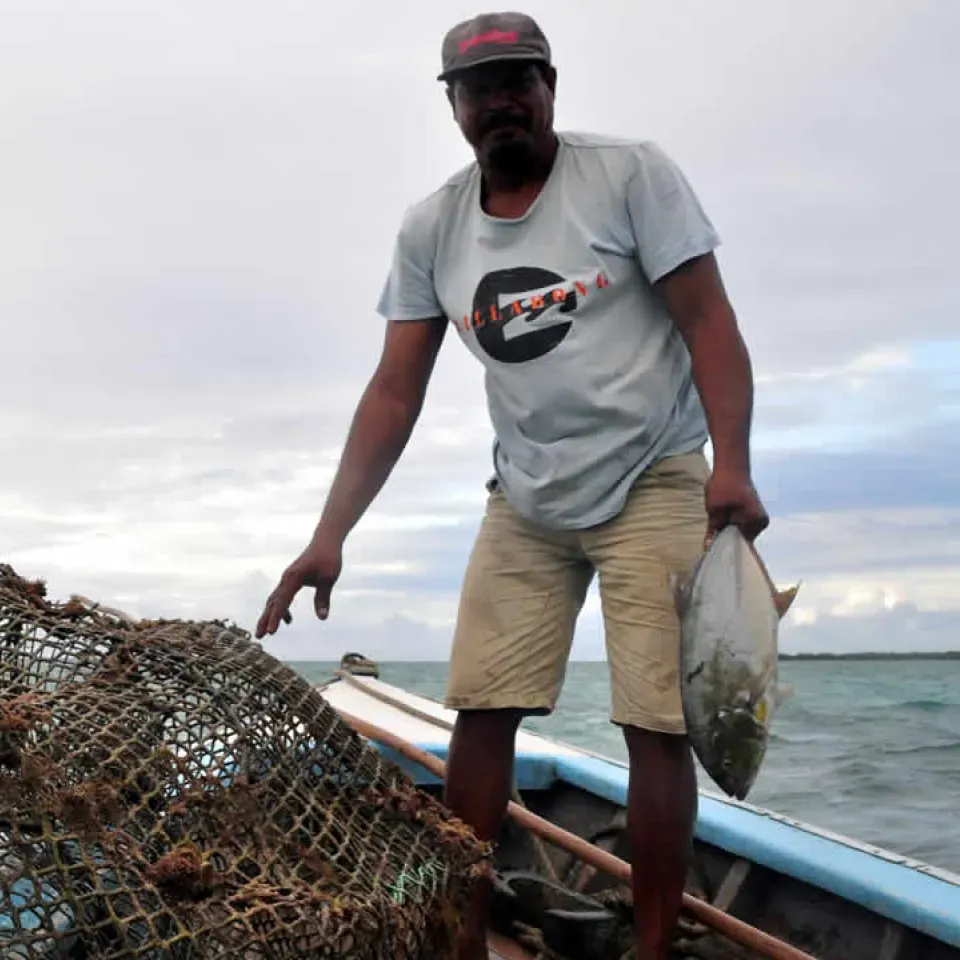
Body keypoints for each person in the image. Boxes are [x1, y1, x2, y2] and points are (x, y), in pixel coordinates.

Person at [253, 11, 770, 960]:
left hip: (655, 477)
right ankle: (459, 938)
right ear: (453, 108)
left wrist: (729, 465)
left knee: (657, 720)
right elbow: (393, 389)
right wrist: (330, 535)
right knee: (482, 710)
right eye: (479, 89)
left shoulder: (629, 174)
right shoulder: (433, 228)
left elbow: (709, 322)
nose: (501, 102)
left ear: (550, 88)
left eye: (518, 82)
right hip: (527, 497)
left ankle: (653, 947)